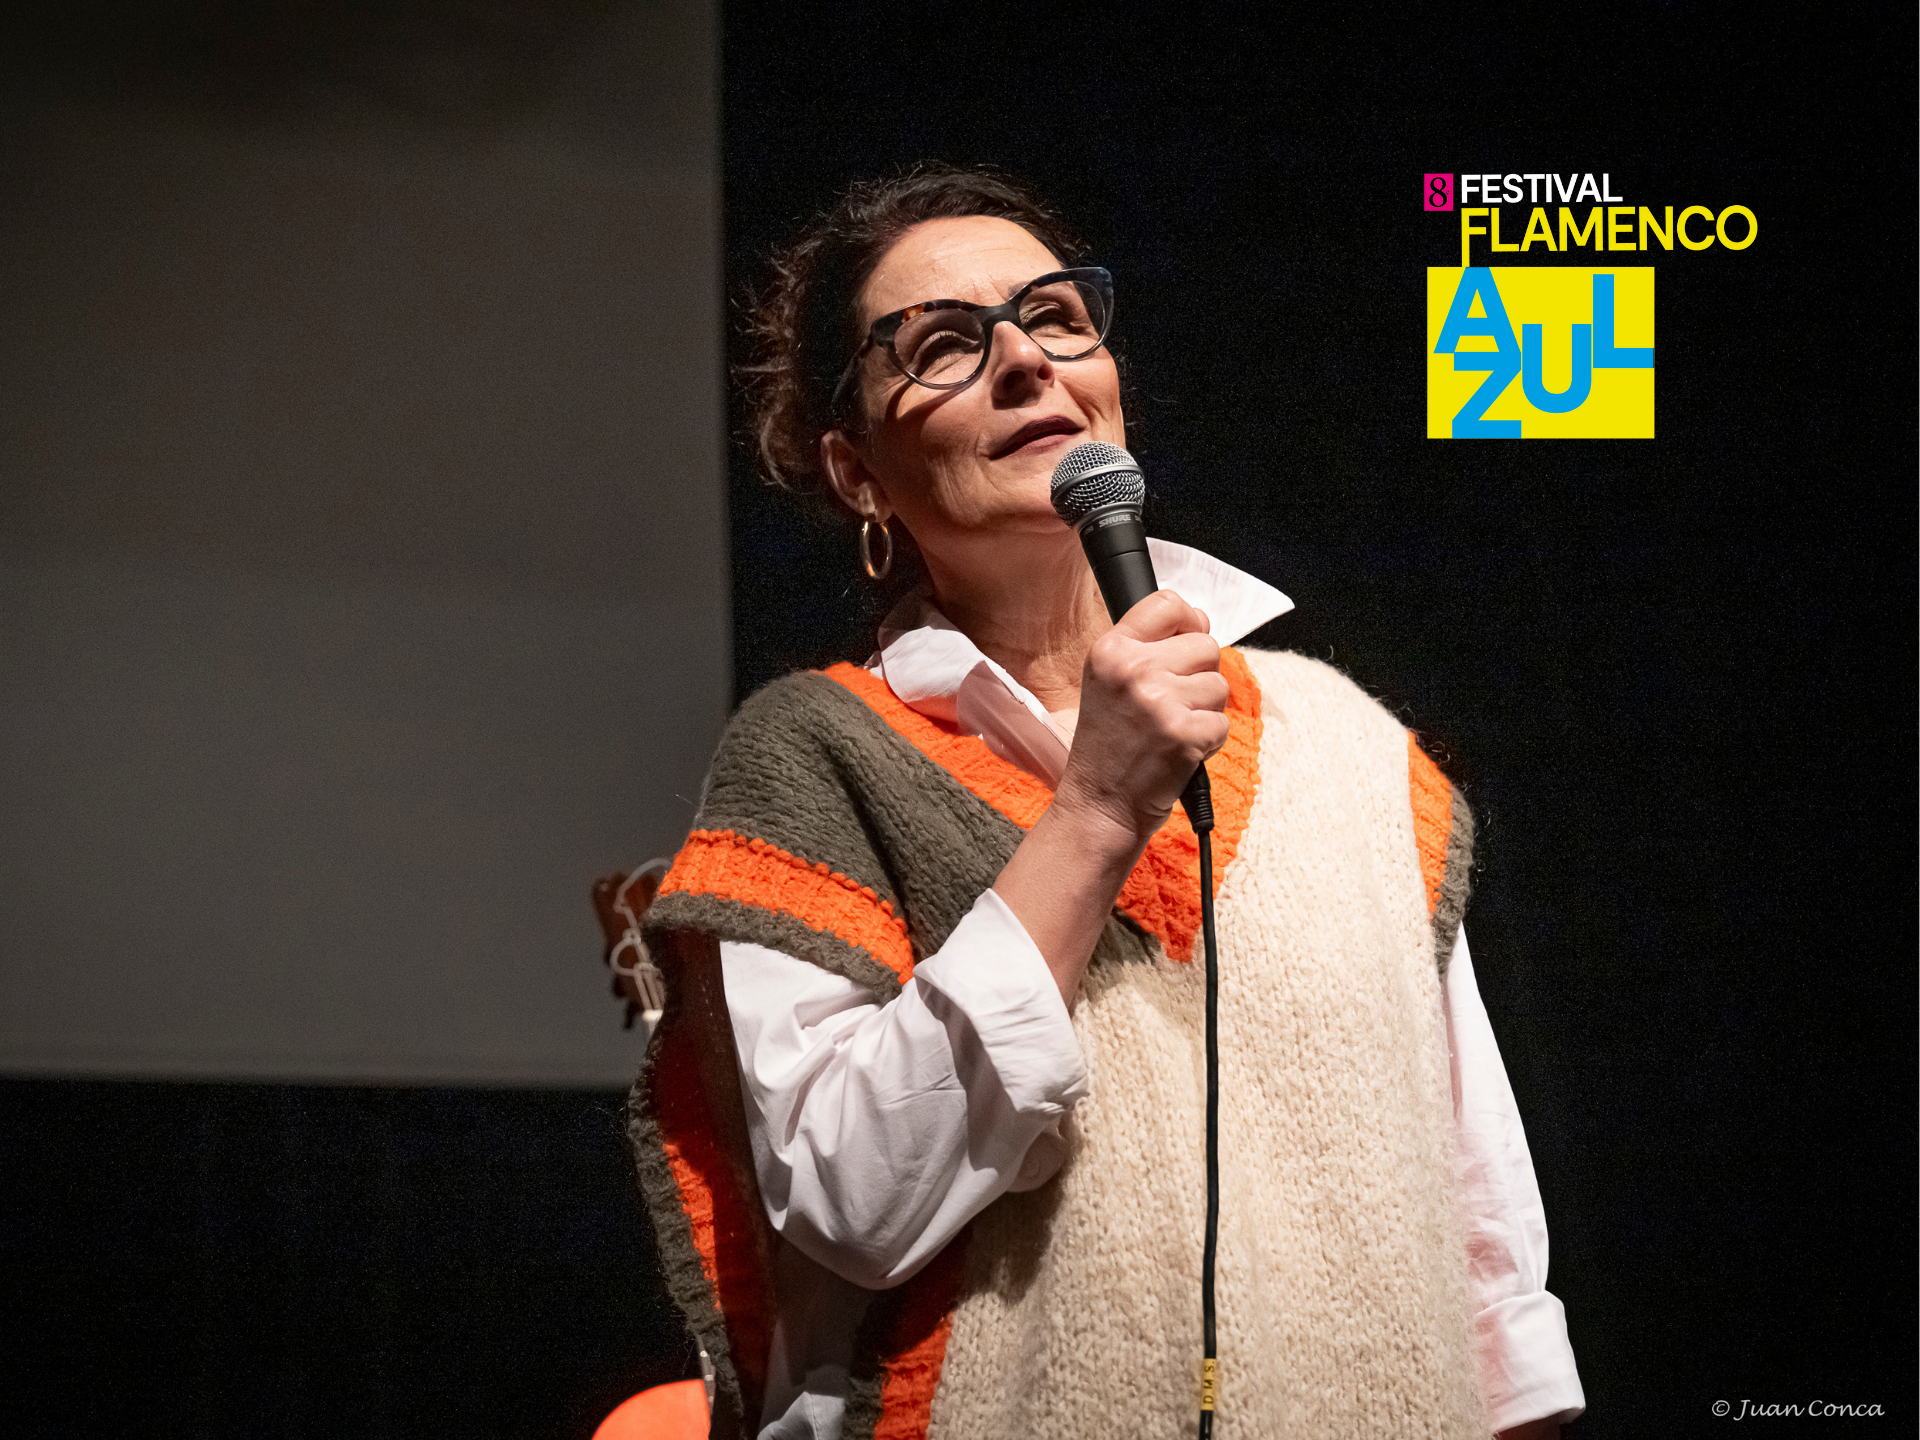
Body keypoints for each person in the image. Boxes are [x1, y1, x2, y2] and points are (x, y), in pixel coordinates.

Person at [630, 164, 1584, 1439]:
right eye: (943, 346)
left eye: (1058, 317)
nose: (1026, 360)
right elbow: (852, 1200)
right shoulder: (811, 757)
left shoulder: (1351, 747)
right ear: (856, 473)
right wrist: (1091, 811)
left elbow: (1488, 1245)